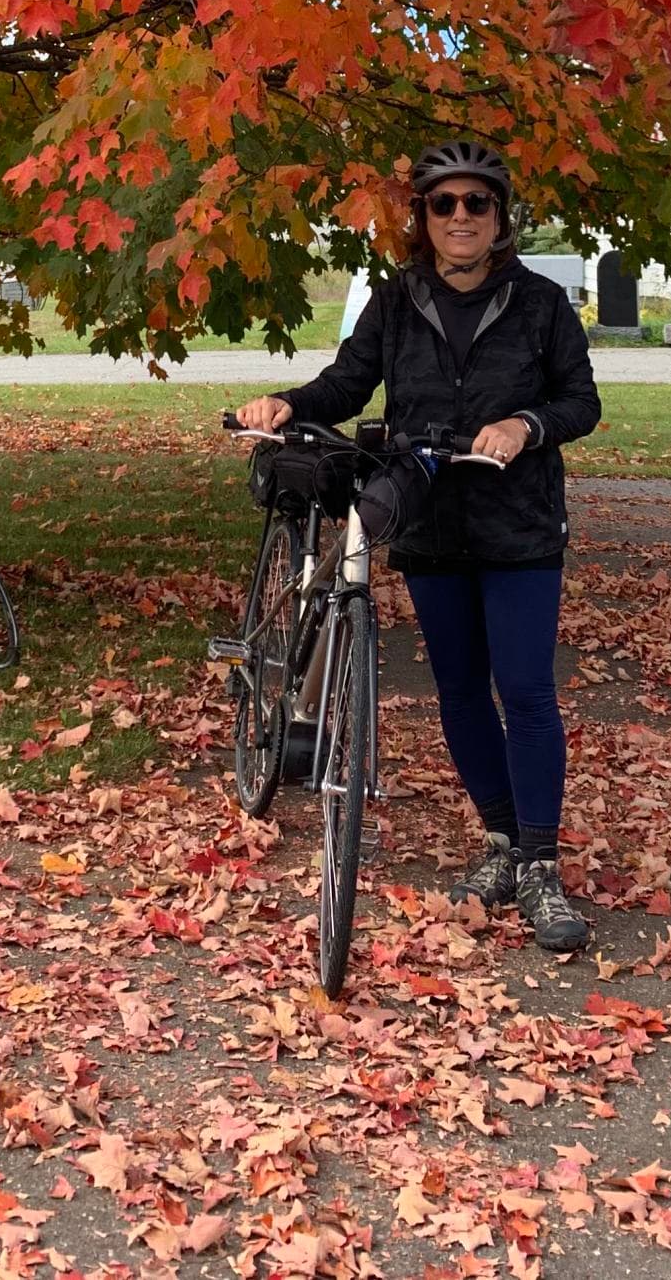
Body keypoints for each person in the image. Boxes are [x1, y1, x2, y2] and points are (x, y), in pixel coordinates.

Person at [237, 138, 601, 953]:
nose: (460, 216)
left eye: (477, 202)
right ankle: (503, 844)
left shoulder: (541, 304)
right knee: (460, 691)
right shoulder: (396, 300)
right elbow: (346, 382)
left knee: (525, 690)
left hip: (519, 525)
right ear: (424, 217)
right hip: (430, 518)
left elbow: (581, 400)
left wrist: (524, 424)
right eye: (444, 203)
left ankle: (540, 864)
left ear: (499, 216)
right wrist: (286, 403)